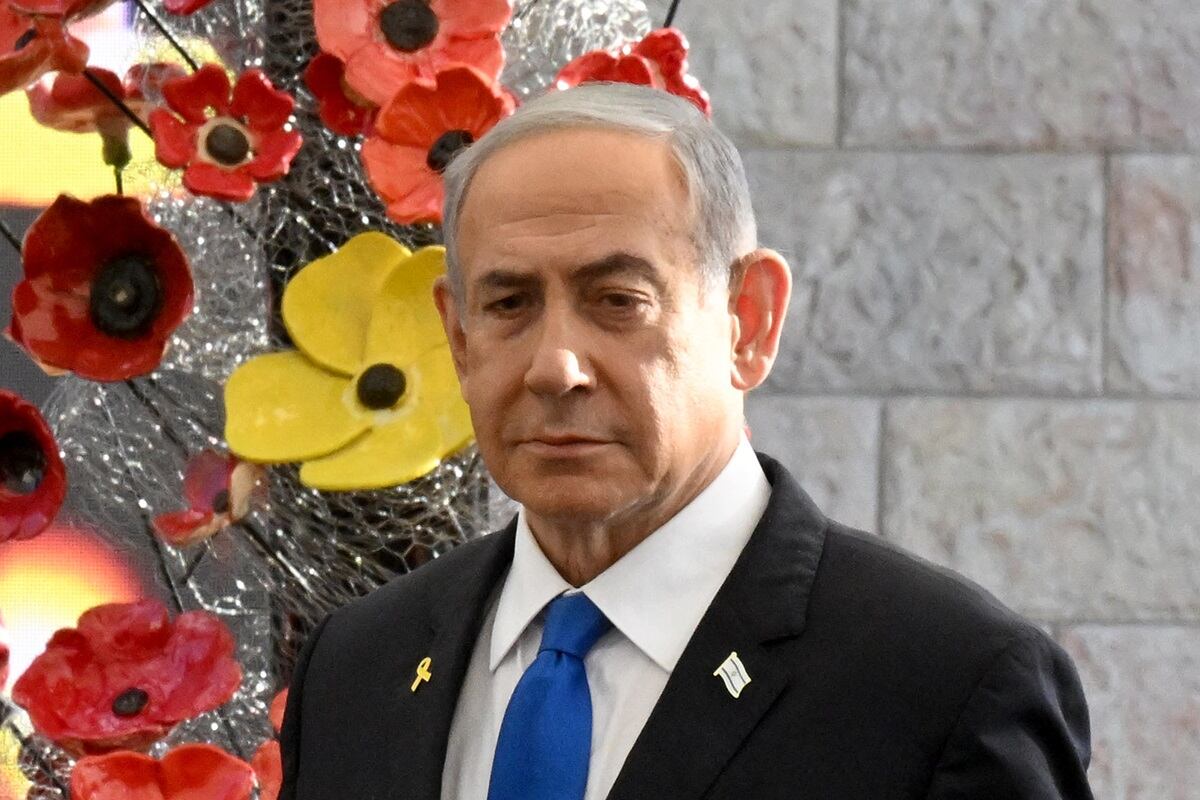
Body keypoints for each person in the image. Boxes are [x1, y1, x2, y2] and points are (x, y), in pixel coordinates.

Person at [278, 82, 1094, 800]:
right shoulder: (359, 668)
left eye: (617, 300)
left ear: (750, 321)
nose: (556, 366)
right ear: (457, 339)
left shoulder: (943, 685)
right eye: (509, 305)